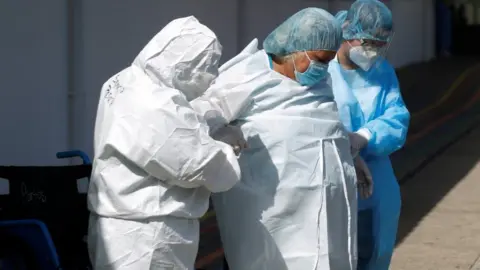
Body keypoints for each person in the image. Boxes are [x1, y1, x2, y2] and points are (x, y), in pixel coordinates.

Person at [190, 8, 366, 270]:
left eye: (328, 61)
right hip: (272, 216)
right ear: (295, 49)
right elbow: (201, 115)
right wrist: (219, 131)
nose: (323, 68)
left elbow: (327, 124)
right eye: (319, 59)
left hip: (326, 211)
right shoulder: (247, 75)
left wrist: (351, 155)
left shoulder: (318, 81)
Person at [87, 16, 245, 269]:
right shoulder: (154, 103)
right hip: (150, 233)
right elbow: (196, 165)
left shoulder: (126, 80)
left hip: (124, 224)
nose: (212, 75)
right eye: (207, 66)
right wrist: (226, 146)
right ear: (183, 63)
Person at [329, 1, 410, 269]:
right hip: (331, 170)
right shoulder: (322, 68)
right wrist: (344, 147)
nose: (372, 52)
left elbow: (396, 117)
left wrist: (364, 136)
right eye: (368, 43)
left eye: (380, 44)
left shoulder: (382, 71)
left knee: (377, 243)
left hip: (375, 171)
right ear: (347, 32)